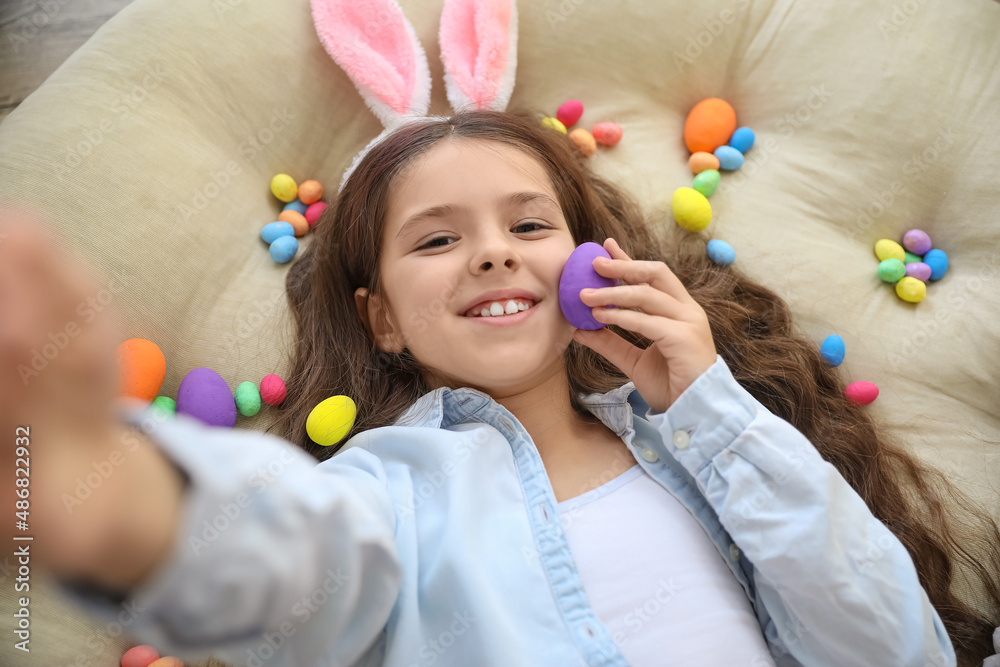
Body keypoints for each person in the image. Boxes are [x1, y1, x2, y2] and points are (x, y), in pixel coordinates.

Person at [3, 110, 999, 667]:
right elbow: (298, 564)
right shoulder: (389, 484)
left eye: (529, 227)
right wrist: (136, 507)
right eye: (437, 240)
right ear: (382, 317)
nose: (491, 255)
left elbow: (892, 649)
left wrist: (710, 405)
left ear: (589, 261)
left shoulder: (708, 447)